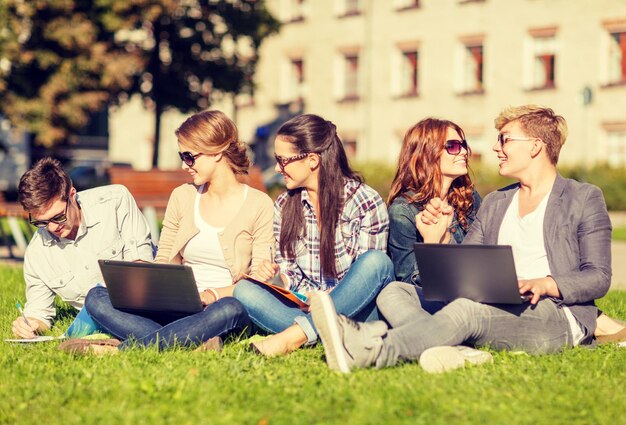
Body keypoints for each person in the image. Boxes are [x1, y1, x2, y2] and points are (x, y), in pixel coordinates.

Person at [311, 105, 614, 373]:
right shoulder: (497, 201)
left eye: (505, 139)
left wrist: (546, 283)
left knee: (467, 312)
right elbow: (468, 268)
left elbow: (598, 276)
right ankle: (456, 351)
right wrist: (437, 239)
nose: (495, 148)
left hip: (552, 312)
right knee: (394, 291)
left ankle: (369, 349)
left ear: (535, 146)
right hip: (491, 302)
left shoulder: (583, 198)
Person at [61, 110, 273, 354]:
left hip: (222, 307)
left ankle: (120, 349)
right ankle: (194, 340)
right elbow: (162, 261)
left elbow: (256, 284)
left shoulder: (259, 204)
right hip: (176, 307)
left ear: (216, 153)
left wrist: (211, 295)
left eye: (189, 157)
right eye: (181, 156)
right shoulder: (182, 197)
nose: (184, 165)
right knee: (97, 297)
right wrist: (153, 292)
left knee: (230, 309)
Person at [233, 113, 394, 356]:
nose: (277, 168)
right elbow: (290, 274)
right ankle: (319, 332)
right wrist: (277, 280)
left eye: (283, 160)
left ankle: (293, 337)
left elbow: (364, 282)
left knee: (376, 263)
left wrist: (325, 299)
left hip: (358, 310)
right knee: (243, 290)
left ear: (312, 160)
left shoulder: (364, 201)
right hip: (305, 307)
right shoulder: (285, 205)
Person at [11, 157, 154, 339]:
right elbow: (39, 313)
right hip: (105, 318)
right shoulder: (37, 253)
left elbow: (142, 266)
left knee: (96, 299)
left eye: (58, 217)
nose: (53, 227)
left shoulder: (115, 201)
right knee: (95, 303)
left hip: (143, 300)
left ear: (72, 195)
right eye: (41, 222)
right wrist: (29, 324)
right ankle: (174, 338)